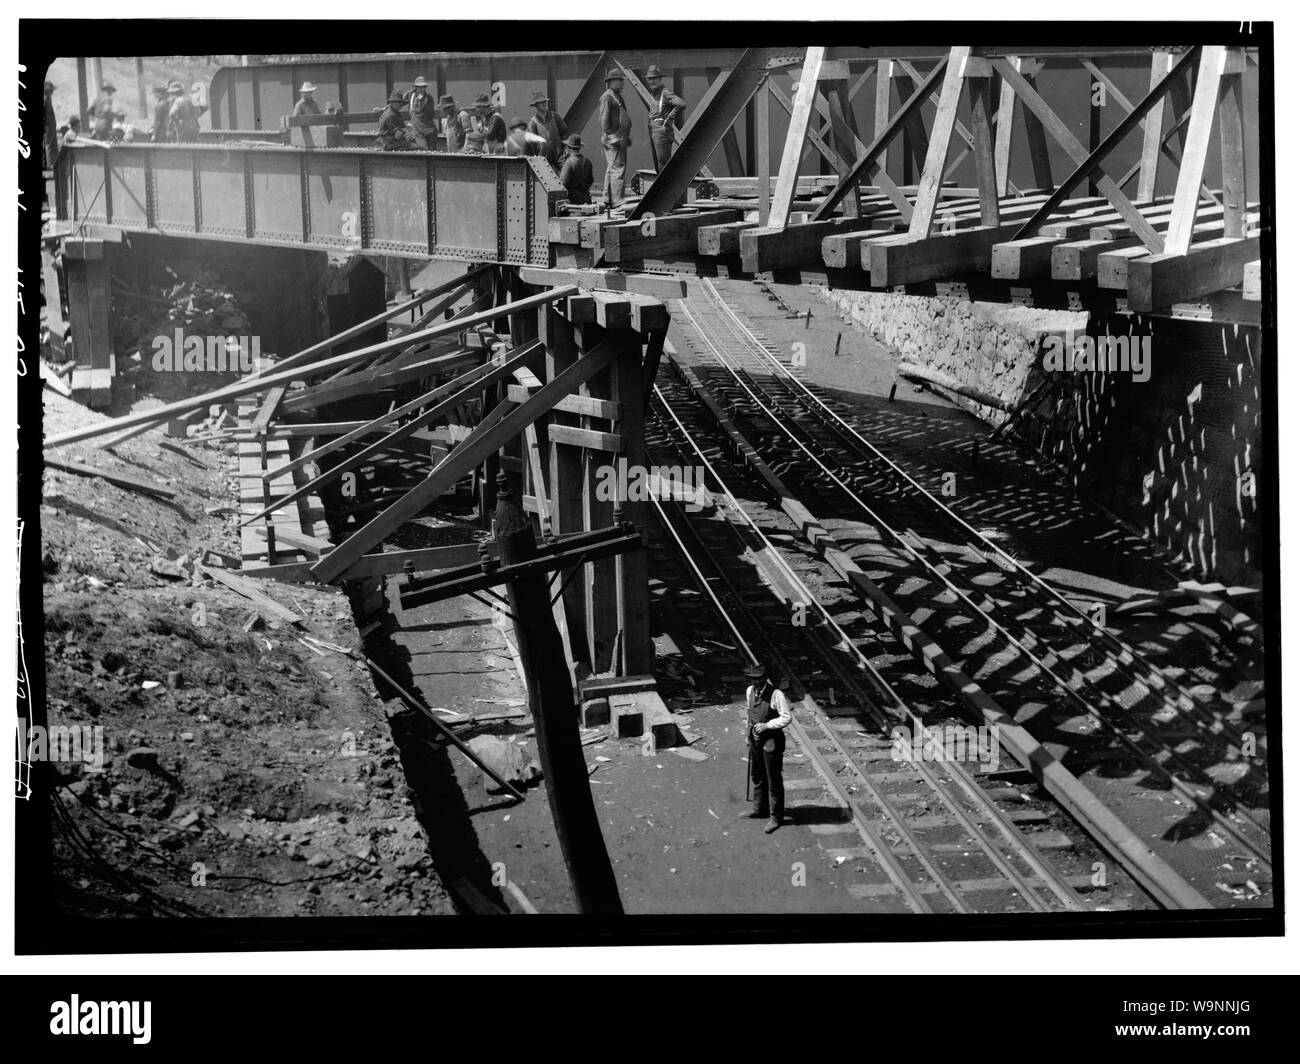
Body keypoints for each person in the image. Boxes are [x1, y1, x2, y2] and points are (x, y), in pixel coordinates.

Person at [741, 663, 792, 833]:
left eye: (760, 679)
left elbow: (786, 717)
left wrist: (768, 725)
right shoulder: (750, 691)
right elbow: (749, 713)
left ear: (765, 678)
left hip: (771, 740)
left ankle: (776, 817)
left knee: (773, 779)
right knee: (757, 774)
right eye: (754, 680)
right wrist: (748, 735)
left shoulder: (776, 694)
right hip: (755, 739)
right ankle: (759, 809)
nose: (757, 683)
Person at [598, 69, 632, 209]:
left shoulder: (616, 95)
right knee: (618, 168)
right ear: (611, 82)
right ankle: (617, 200)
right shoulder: (608, 96)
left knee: (611, 168)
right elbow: (603, 121)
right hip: (614, 139)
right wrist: (613, 137)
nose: (622, 82)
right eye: (619, 80)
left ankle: (607, 198)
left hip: (619, 137)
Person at [644, 65, 685, 172]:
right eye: (650, 79)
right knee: (661, 163)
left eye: (654, 78)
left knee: (663, 163)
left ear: (660, 79)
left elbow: (680, 104)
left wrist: (669, 118)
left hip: (661, 131)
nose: (651, 81)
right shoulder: (654, 93)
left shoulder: (665, 92)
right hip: (655, 131)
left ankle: (666, 187)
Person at [525, 90, 567, 169]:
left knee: (568, 175)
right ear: (536, 105)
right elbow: (531, 143)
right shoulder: (533, 122)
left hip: (558, 154)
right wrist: (536, 157)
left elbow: (564, 132)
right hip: (543, 157)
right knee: (545, 179)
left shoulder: (554, 116)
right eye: (541, 102)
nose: (544, 103)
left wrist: (565, 149)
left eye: (544, 101)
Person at [557, 133, 593, 205]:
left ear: (568, 148)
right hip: (585, 199)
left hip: (572, 202)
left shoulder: (569, 163)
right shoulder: (587, 162)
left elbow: (562, 183)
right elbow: (590, 181)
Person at [406, 75, 439, 150]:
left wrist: (423, 104)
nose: (423, 89)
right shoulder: (411, 95)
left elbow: (430, 114)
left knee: (432, 152)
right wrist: (385, 108)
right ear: (416, 87)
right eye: (421, 87)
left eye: (424, 87)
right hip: (418, 131)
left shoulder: (429, 98)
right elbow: (398, 102)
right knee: (423, 150)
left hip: (429, 130)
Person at [293, 81, 321, 147]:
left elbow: (319, 117)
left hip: (315, 134)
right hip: (304, 135)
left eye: (310, 92)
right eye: (307, 92)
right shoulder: (299, 105)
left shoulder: (314, 104)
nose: (309, 94)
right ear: (303, 93)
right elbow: (295, 121)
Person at [43, 81, 59, 168]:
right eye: (50, 90)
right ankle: (49, 164)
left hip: (52, 126)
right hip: (48, 127)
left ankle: (56, 162)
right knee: (48, 145)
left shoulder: (49, 99)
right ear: (46, 91)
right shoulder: (45, 100)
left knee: (54, 145)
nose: (52, 92)